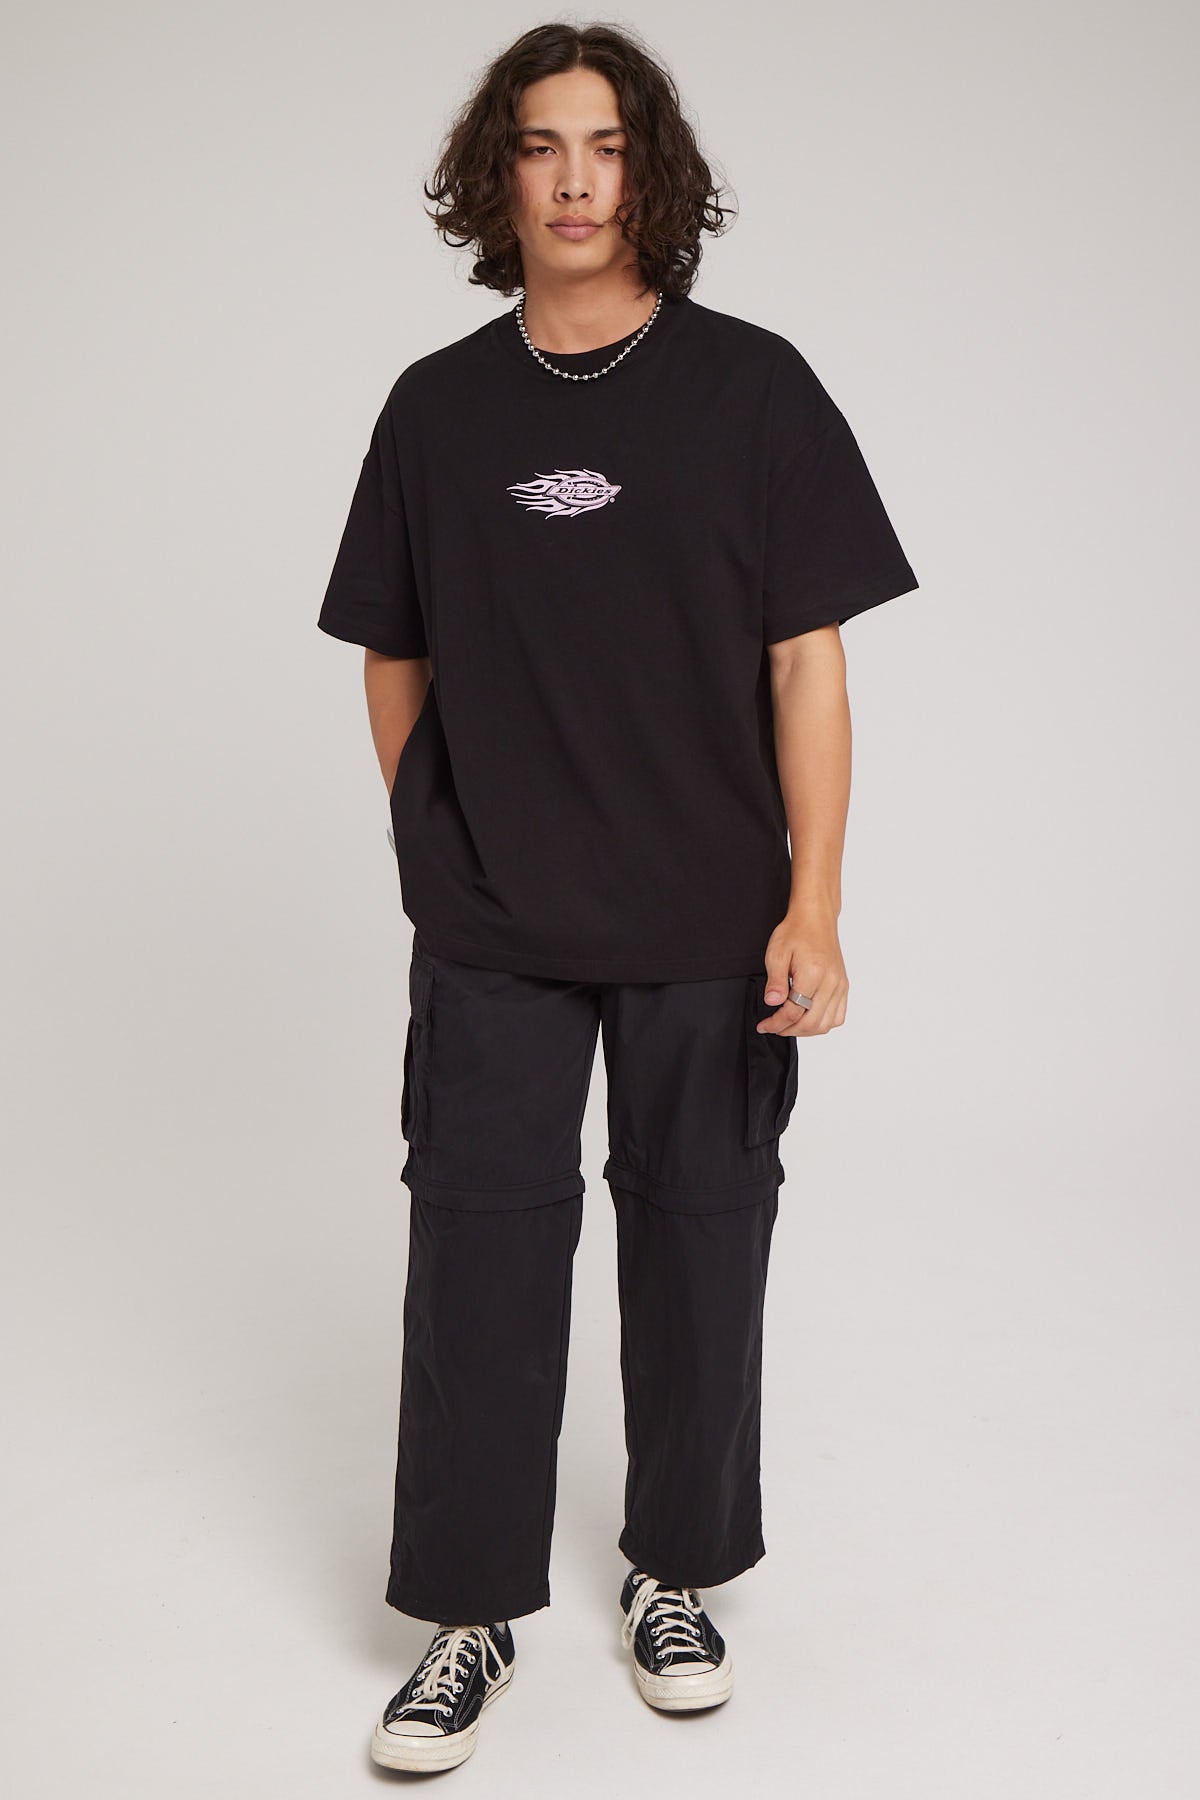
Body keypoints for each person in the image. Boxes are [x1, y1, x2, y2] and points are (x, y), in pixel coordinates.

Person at [317, 20, 918, 1774]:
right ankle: (467, 1613)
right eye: (538, 146)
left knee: (705, 1240)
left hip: (710, 919)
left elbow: (807, 664)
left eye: (604, 145)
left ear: (651, 170)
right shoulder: (438, 409)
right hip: (496, 925)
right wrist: (435, 842)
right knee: (478, 1256)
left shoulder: (756, 391)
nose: (574, 180)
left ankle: (677, 1572)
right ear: (495, 178)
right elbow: (391, 649)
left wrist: (814, 903)